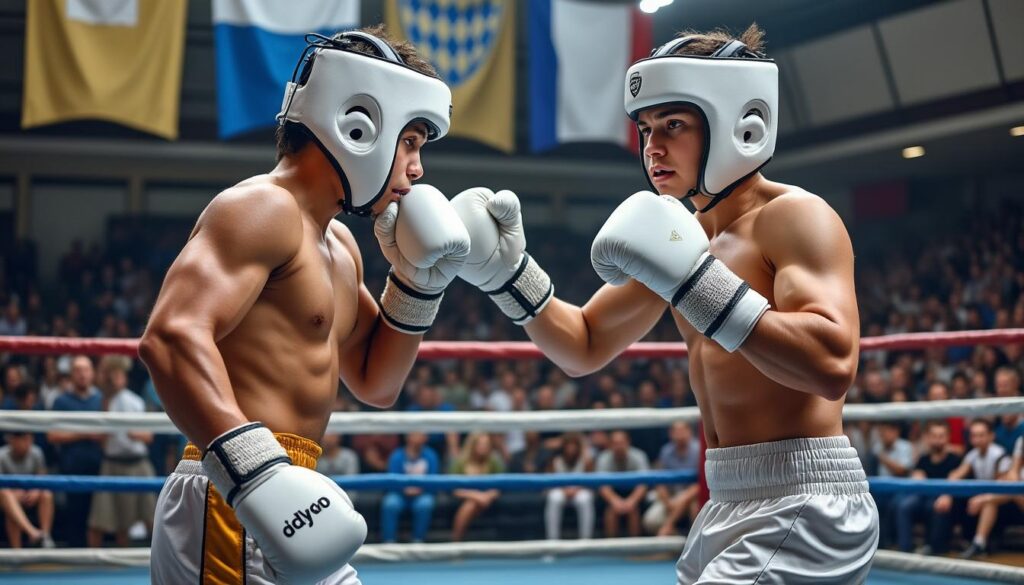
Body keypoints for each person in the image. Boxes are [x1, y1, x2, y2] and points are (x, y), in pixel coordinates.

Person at [452, 24, 876, 583]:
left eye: (673, 125)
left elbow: (831, 365)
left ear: (736, 126)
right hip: (726, 498)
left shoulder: (795, 217)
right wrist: (507, 274)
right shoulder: (681, 238)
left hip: (803, 500)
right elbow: (583, 343)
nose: (652, 147)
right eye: (647, 129)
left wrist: (696, 283)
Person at [140, 26, 467, 585]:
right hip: (233, 494)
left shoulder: (338, 244)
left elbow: (376, 381)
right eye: (410, 142)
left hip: (294, 496)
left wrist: (418, 283)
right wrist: (255, 472)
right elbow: (170, 337)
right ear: (360, 125)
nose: (416, 169)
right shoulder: (262, 208)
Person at [87, 356, 157, 547]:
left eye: (119, 374)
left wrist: (135, 433)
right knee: (108, 520)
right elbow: (100, 434)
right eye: (113, 375)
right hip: (113, 462)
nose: (116, 379)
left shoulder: (135, 401)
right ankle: (97, 564)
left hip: (139, 462)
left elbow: (148, 436)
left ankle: (160, 559)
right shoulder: (102, 400)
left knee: (152, 517)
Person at [894, 421, 961, 554]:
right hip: (923, 495)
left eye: (941, 436)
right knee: (904, 505)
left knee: (935, 506)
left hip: (945, 498)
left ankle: (934, 549)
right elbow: (917, 476)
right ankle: (904, 549)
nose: (937, 440)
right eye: (934, 436)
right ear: (928, 438)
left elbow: (955, 480)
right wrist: (916, 477)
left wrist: (947, 494)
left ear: (948, 437)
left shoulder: (955, 460)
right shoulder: (923, 459)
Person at [949, 419, 1013, 558]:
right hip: (983, 499)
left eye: (981, 435)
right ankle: (962, 540)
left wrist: (982, 499)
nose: (977, 439)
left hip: (1005, 502)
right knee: (957, 497)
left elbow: (1003, 488)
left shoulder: (999, 455)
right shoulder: (972, 455)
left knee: (988, 502)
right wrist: (945, 493)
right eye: (974, 435)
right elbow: (957, 474)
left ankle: (979, 544)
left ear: (991, 436)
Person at [380, 432, 439, 543]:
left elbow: (433, 480)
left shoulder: (431, 455)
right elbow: (392, 480)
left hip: (423, 493)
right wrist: (404, 489)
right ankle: (389, 541)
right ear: (408, 437)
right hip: (399, 494)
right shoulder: (397, 455)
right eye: (416, 433)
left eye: (422, 434)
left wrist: (420, 489)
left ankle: (418, 540)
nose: (421, 436)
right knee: (390, 503)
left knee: (425, 504)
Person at [644, 421, 701, 536]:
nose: (680, 435)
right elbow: (659, 482)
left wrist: (684, 498)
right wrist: (668, 502)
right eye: (677, 432)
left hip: (693, 497)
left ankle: (670, 529)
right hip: (671, 497)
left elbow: (702, 482)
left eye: (682, 431)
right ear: (671, 434)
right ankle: (677, 543)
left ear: (690, 432)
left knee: (696, 510)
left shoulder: (698, 450)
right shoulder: (666, 451)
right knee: (650, 521)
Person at [0, 432, 55, 549]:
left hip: (30, 491)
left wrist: (36, 489)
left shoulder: (36, 452)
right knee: (7, 498)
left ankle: (45, 537)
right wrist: (15, 491)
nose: (26, 443)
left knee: (46, 494)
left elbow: (42, 477)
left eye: (28, 439)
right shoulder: (2, 455)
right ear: (11, 440)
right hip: (10, 495)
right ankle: (25, 541)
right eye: (22, 439)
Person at [450, 432, 504, 542]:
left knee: (471, 505)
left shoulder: (494, 462)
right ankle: (456, 541)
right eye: (481, 444)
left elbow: (500, 485)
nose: (484, 447)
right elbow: (454, 489)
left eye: (486, 444)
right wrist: (476, 496)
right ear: (473, 445)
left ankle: (455, 542)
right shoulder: (460, 462)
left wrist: (488, 496)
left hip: (488, 499)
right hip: (466, 498)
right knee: (471, 504)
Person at [595, 431, 649, 538]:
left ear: (628, 442)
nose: (619, 446)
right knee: (611, 512)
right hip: (613, 493)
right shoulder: (604, 458)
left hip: (633, 492)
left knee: (633, 511)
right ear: (610, 445)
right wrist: (614, 501)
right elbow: (602, 485)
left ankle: (634, 546)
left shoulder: (639, 456)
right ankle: (611, 546)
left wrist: (632, 501)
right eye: (615, 443)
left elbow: (643, 484)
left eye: (621, 443)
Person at [545, 432, 594, 541]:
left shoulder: (585, 461)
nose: (571, 448)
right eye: (568, 445)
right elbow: (550, 481)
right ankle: (552, 542)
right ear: (563, 447)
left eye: (574, 445)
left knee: (585, 499)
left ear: (578, 447)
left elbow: (590, 481)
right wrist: (564, 489)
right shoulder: (555, 461)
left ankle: (585, 541)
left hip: (580, 490)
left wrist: (576, 489)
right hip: (561, 490)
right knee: (553, 498)